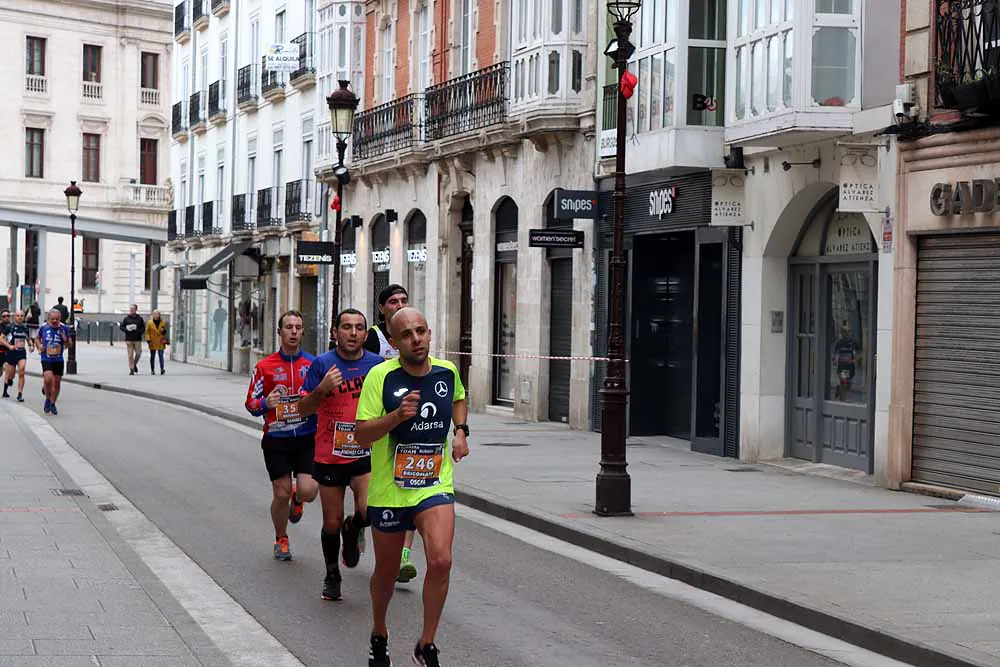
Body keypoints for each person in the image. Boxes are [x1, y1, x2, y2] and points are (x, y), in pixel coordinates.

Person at [356, 307, 469, 667]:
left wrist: (461, 432)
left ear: (430, 333)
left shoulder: (447, 371)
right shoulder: (380, 377)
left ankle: (427, 642)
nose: (416, 339)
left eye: (421, 331)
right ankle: (379, 632)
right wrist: (396, 417)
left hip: (433, 482)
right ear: (393, 342)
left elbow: (458, 399)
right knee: (386, 574)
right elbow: (361, 435)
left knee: (441, 559)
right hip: (390, 489)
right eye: (407, 334)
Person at [298, 308, 384, 601]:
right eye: (346, 327)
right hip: (330, 453)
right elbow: (303, 409)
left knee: (368, 511)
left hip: (365, 451)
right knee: (330, 522)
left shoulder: (377, 366)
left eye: (359, 327)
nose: (353, 333)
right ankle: (332, 573)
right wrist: (322, 389)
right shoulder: (322, 364)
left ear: (365, 333)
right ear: (335, 332)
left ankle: (354, 527)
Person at [245, 310, 320, 561]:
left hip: (307, 437)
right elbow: (250, 404)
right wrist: (266, 402)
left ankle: (298, 499)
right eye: (289, 327)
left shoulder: (313, 364)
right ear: (280, 332)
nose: (294, 332)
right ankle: (281, 538)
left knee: (309, 490)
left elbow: (325, 398)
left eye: (298, 327)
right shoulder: (264, 367)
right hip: (277, 439)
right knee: (280, 493)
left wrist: (311, 401)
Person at [364, 284, 420, 583]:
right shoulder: (372, 337)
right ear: (382, 307)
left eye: (404, 300)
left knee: (411, 484)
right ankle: (359, 523)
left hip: (406, 422)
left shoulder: (413, 334)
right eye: (394, 301)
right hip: (375, 420)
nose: (399, 305)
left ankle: (404, 556)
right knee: (371, 494)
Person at [37, 309, 73, 416]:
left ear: (60, 318)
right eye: (52, 319)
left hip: (58, 359)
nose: (55, 321)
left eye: (57, 319)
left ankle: (52, 403)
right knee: (48, 379)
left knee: (56, 383)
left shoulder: (64, 328)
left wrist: (65, 339)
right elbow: (37, 339)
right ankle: (48, 398)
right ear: (49, 319)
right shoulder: (44, 327)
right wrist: (39, 346)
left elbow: (70, 345)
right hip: (46, 358)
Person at [2, 310, 31, 402]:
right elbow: (1, 339)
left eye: (22, 316)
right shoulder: (10, 327)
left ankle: (19, 394)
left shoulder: (25, 328)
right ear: (15, 317)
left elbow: (28, 338)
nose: (20, 317)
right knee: (11, 375)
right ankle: (7, 385)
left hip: (21, 353)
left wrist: (31, 345)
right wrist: (9, 346)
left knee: (22, 371)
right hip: (12, 353)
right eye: (18, 315)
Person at [120, 305, 145, 375]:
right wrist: (127, 329)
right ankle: (131, 369)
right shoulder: (126, 318)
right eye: (130, 309)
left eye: (133, 309)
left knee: (138, 353)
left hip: (137, 339)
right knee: (130, 355)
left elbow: (143, 328)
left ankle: (134, 364)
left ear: (136, 310)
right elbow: (121, 327)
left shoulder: (139, 319)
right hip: (129, 339)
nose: (131, 310)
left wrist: (138, 330)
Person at [145, 310, 169, 375]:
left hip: (160, 341)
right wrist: (148, 339)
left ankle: (162, 369)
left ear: (159, 315)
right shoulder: (149, 323)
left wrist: (163, 331)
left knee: (161, 355)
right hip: (152, 341)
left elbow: (164, 332)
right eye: (154, 314)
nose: (156, 315)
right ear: (152, 315)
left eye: (157, 314)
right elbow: (147, 332)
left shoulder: (162, 322)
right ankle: (152, 370)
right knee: (152, 356)